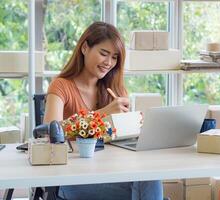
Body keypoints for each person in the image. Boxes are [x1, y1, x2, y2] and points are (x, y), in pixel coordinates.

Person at [43, 21, 163, 200]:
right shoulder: (61, 86)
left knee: (150, 177)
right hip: (71, 179)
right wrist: (103, 113)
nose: (109, 63)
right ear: (84, 48)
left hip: (111, 172)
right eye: (103, 54)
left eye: (114, 57)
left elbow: (122, 138)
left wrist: (135, 125)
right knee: (142, 189)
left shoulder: (114, 89)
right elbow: (50, 132)